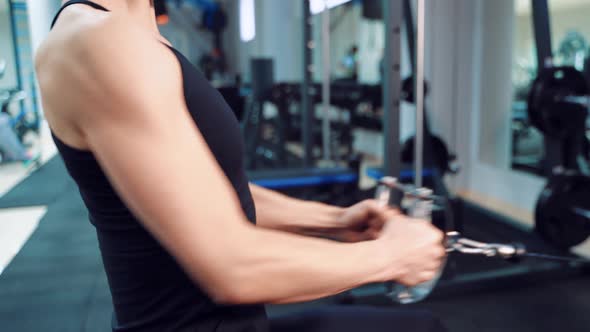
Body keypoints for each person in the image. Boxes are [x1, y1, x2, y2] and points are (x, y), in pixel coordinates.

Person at [36, 1, 446, 331]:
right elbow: (233, 266)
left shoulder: (139, 36)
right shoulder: (97, 41)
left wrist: (336, 218)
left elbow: (206, 196)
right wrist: (392, 256)